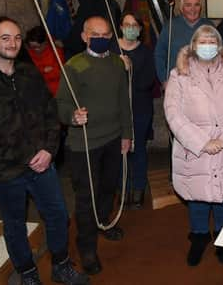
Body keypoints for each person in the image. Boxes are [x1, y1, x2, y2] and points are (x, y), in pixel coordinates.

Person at [0, 17, 88, 285]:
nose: (13, 43)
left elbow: (50, 113)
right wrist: (30, 156)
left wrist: (50, 151)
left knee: (58, 215)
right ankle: (28, 274)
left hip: (43, 163)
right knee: (15, 224)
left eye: (17, 37)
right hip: (6, 171)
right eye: (5, 38)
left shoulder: (29, 74)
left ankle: (61, 265)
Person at [164, 25, 223, 266]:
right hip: (194, 150)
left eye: (211, 40)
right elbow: (173, 113)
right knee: (198, 196)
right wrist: (202, 142)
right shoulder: (179, 75)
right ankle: (200, 235)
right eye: (202, 41)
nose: (207, 45)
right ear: (193, 46)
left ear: (219, 46)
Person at [55, 16, 133, 275]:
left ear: (112, 36)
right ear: (84, 36)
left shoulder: (116, 64)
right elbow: (61, 104)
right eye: (94, 34)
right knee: (86, 197)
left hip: (113, 139)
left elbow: (124, 102)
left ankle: (103, 224)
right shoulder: (73, 66)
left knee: (108, 188)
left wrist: (127, 134)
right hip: (84, 144)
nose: (100, 38)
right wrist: (72, 117)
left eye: (105, 34)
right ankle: (87, 247)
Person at [118, 12, 155, 209]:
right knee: (118, 151)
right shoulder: (111, 48)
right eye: (127, 24)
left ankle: (138, 188)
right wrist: (117, 67)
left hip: (140, 108)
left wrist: (130, 70)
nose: (131, 28)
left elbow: (148, 81)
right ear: (121, 27)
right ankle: (122, 188)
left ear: (140, 29)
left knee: (137, 148)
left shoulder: (146, 52)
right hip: (114, 109)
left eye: (135, 25)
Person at [154, 0, 213, 87]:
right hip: (177, 84)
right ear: (181, 8)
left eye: (196, 5)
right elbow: (159, 54)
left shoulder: (209, 26)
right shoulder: (170, 26)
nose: (193, 9)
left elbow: (217, 56)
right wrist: (164, 79)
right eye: (188, 5)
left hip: (203, 85)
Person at [26, 26, 65, 97]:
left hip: (55, 89)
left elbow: (59, 73)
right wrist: (43, 70)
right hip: (37, 88)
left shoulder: (56, 51)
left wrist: (40, 72)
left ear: (45, 43)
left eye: (37, 47)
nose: (35, 49)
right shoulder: (28, 53)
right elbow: (28, 72)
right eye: (32, 47)